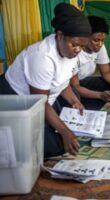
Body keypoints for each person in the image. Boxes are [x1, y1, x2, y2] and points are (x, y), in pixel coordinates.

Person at [0, 3, 92, 158]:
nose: (78, 50)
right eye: (75, 45)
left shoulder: (69, 51)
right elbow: (39, 102)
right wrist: (64, 131)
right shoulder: (42, 57)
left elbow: (62, 82)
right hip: (15, 100)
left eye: (82, 46)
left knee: (63, 136)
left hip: (45, 99)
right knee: (53, 146)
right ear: (60, 35)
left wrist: (73, 100)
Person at [70, 16, 110, 110]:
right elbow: (75, 86)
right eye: (96, 40)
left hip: (87, 81)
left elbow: (106, 72)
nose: (100, 44)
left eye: (103, 40)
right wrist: (99, 95)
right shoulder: (75, 51)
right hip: (73, 87)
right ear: (85, 37)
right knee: (81, 98)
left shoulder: (100, 47)